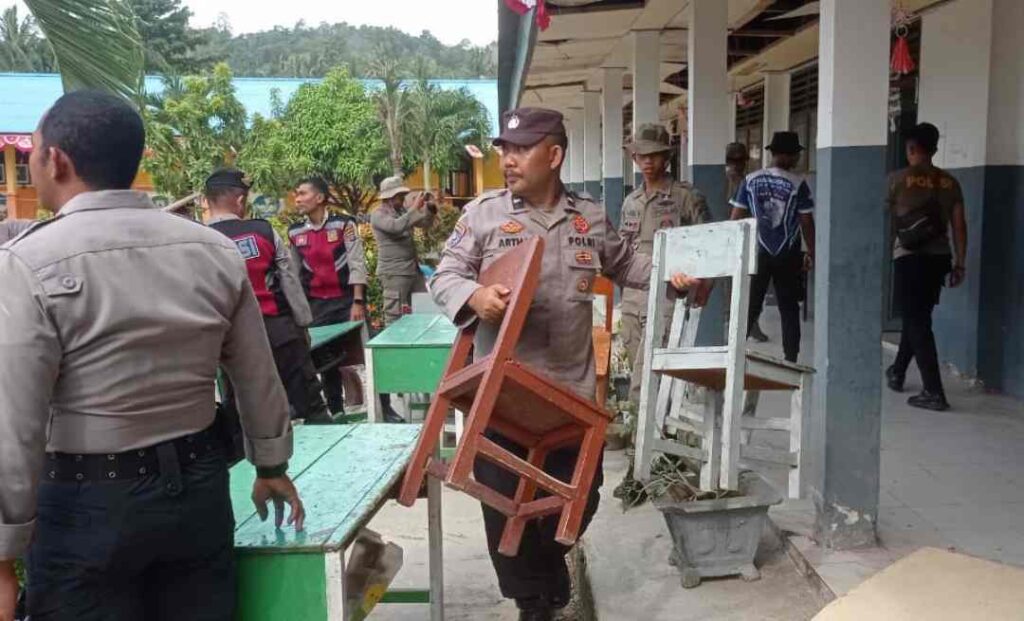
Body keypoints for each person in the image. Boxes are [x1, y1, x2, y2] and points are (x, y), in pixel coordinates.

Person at [0, 90, 304, 621]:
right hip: (199, 494)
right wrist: (271, 463)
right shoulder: (211, 251)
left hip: (83, 508)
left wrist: (3, 547)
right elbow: (256, 373)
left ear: (57, 160)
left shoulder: (27, 263)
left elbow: (15, 419)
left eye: (34, 152)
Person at [430, 106, 703, 621]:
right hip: (505, 396)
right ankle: (533, 602)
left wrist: (672, 273)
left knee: (581, 497)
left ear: (553, 156)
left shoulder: (589, 216)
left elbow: (624, 262)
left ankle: (549, 572)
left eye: (520, 149)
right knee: (502, 500)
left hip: (570, 397)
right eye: (504, 150)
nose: (508, 160)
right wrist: (474, 295)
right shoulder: (483, 214)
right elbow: (445, 274)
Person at [205, 168, 331, 424]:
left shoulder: (197, 240)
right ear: (240, 200)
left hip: (230, 338)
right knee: (310, 403)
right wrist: (303, 325)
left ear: (207, 202)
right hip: (279, 331)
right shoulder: (263, 231)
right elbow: (289, 281)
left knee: (241, 413)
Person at [619, 123, 709, 407]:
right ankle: (659, 439)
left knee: (646, 379)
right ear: (634, 158)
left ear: (667, 157)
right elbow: (623, 250)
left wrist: (700, 294)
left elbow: (709, 247)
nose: (647, 161)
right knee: (639, 369)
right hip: (633, 298)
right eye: (641, 155)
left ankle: (641, 443)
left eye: (655, 155)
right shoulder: (630, 202)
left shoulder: (686, 197)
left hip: (669, 298)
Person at [885, 122, 967, 411]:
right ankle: (897, 372)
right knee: (917, 316)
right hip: (939, 258)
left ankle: (933, 391)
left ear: (911, 149)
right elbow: (959, 226)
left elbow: (880, 218)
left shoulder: (896, 180)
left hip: (909, 258)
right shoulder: (950, 183)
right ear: (933, 149)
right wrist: (960, 262)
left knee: (918, 321)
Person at [730, 130, 815, 364]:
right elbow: (806, 222)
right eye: (796, 155)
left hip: (758, 252)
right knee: (789, 308)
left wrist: (735, 251)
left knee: (750, 305)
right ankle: (791, 358)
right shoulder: (799, 184)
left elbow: (736, 217)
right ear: (786, 156)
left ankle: (734, 354)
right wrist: (812, 253)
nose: (797, 159)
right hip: (788, 253)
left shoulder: (750, 180)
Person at [288, 176, 368, 417]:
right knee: (326, 361)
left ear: (320, 198)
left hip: (347, 301)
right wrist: (298, 310)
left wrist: (357, 301)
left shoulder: (344, 225)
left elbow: (356, 263)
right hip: (316, 307)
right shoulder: (294, 232)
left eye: (302, 193)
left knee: (365, 353)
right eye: (296, 194)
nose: (297, 199)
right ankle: (336, 410)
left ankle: (382, 406)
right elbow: (293, 274)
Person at [370, 175, 435, 325]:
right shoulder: (378, 214)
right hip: (394, 272)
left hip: (412, 270)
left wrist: (429, 209)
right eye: (400, 197)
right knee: (394, 315)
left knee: (423, 309)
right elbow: (395, 227)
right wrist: (414, 208)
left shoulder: (402, 212)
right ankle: (392, 347)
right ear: (389, 197)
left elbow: (424, 224)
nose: (403, 200)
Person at [725, 142, 769, 343]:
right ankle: (745, 326)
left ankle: (747, 325)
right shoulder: (738, 181)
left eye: (739, 161)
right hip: (735, 237)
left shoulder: (741, 180)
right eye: (737, 161)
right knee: (742, 286)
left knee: (744, 285)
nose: (738, 165)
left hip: (739, 236)